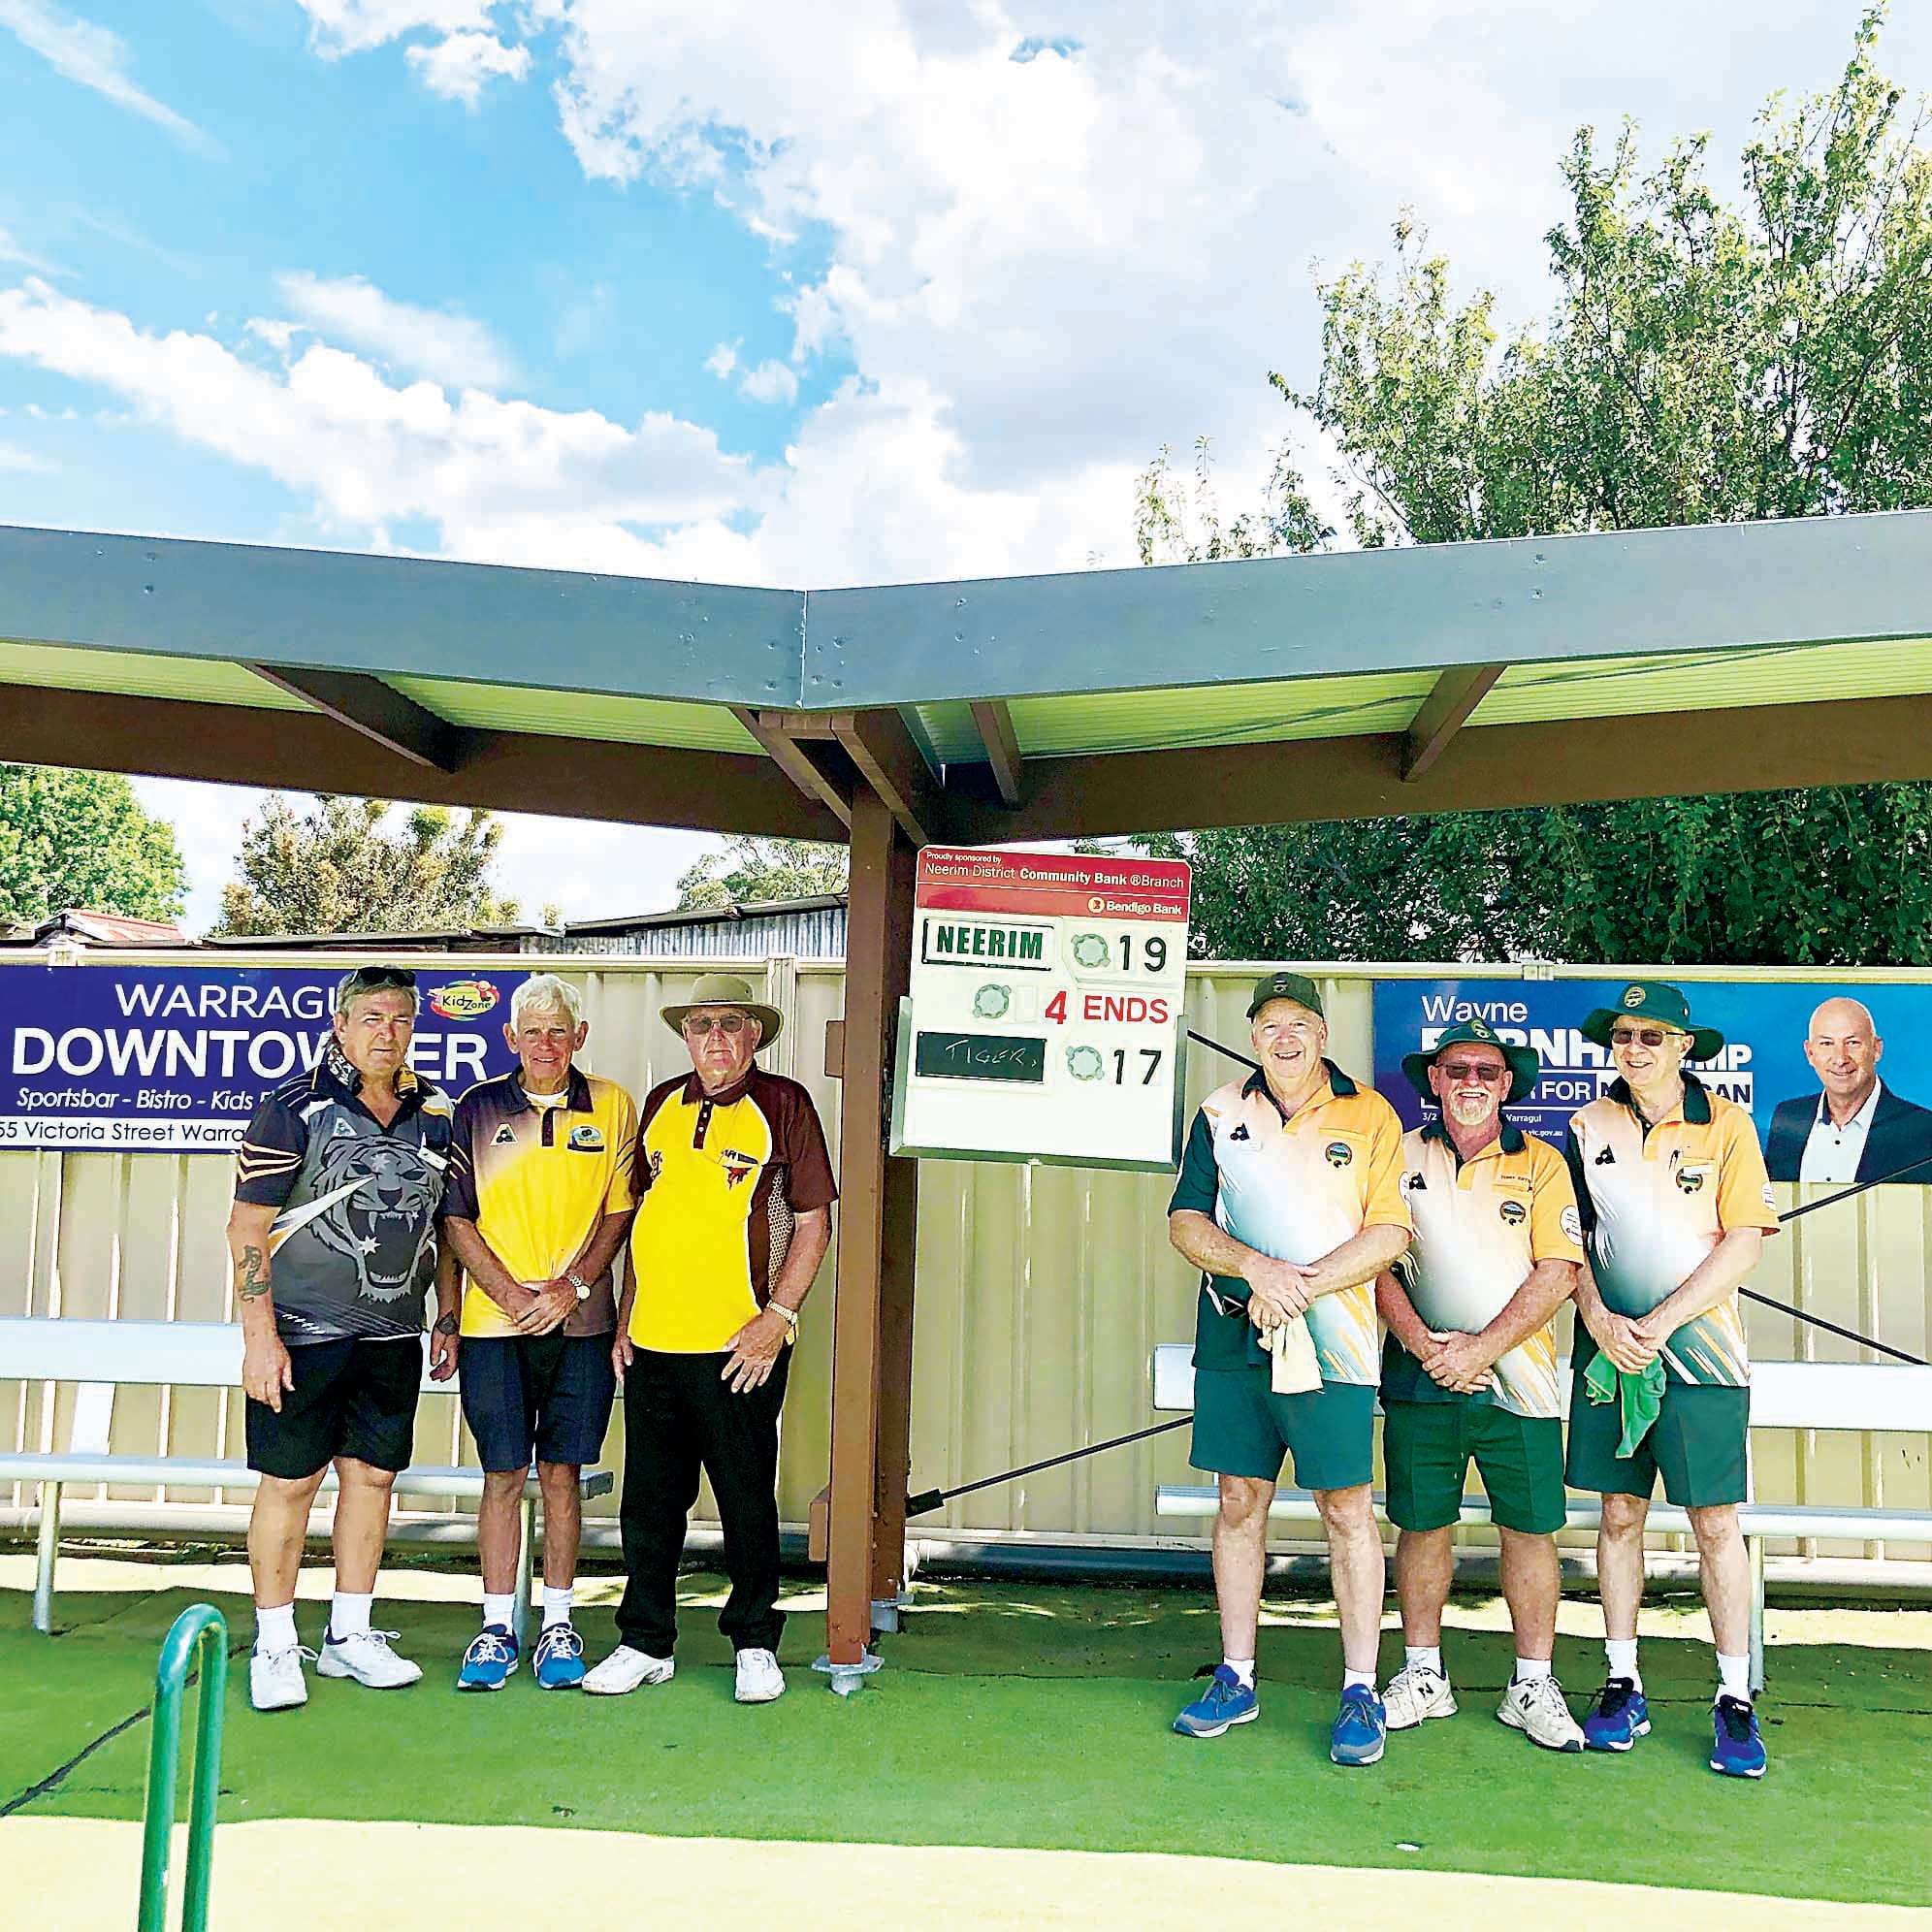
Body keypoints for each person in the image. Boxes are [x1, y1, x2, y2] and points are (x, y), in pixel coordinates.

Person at [1166, 971, 1411, 1767]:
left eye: (1300, 1023)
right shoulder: (1219, 1112)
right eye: (1269, 1025)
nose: (1285, 1038)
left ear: (1323, 1034)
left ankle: (1361, 1688)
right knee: (1240, 1501)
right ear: (1253, 1037)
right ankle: (1236, 1676)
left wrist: (1295, 1284)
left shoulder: (1370, 1113)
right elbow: (1186, 1222)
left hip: (1333, 1338)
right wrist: (1252, 1270)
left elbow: (1390, 1234)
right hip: (1236, 1335)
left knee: (1346, 1508)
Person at [584, 973, 836, 1705]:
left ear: (754, 1034)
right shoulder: (662, 1102)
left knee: (745, 1498)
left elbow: (815, 1221)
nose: (715, 1038)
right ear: (685, 1036)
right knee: (650, 1503)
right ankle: (644, 1641)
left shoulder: (784, 1103)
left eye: (730, 1024)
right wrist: (628, 1316)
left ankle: (755, 1641)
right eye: (701, 1026)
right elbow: (644, 1221)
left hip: (740, 1347)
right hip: (657, 1342)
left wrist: (777, 1318)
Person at [1564, 981, 1781, 1779]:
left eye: (1653, 1037)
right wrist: (1600, 1321)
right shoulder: (1587, 1125)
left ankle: (1733, 1698)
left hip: (1704, 1361)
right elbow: (1568, 1243)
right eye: (1624, 1036)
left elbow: (1745, 1243)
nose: (1635, 1049)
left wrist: (1660, 1324)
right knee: (1618, 1516)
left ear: (1686, 1048)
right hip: (1612, 1356)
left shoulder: (1727, 1126)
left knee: (1715, 1526)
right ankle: (1623, 1680)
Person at [230, 964, 457, 1714]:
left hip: (392, 1334)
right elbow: (247, 1230)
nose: (385, 1034)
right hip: (301, 1335)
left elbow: (446, 1230)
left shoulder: (436, 1114)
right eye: (370, 1019)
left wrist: (446, 1316)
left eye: (399, 1019)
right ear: (340, 1024)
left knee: (373, 1480)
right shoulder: (290, 1107)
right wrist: (260, 1339)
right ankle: (273, 1643)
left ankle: (349, 1635)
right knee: (292, 1484)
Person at [1374, 1020, 1586, 1752]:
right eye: (1455, 1068)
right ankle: (1423, 1674)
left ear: (1506, 1084)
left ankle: (1531, 1683)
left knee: (1529, 1530)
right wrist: (1426, 1346)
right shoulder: (1396, 1155)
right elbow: (1377, 1264)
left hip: (1519, 1384)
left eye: (1486, 1072)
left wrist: (1482, 1350)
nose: (1470, 1081)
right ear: (1433, 1079)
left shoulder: (1545, 1164)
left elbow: (1558, 1272)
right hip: (1420, 1376)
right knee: (1421, 1524)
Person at [439, 974, 638, 1691]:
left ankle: (557, 1620)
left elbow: (621, 1213)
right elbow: (455, 1217)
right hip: (496, 1325)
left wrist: (570, 1288)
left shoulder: (613, 1105)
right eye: (533, 1031)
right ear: (510, 1039)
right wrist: (506, 1297)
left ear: (578, 1037)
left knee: (561, 1476)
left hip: (580, 1322)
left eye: (560, 1030)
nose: (547, 1044)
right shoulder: (477, 1106)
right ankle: (497, 1628)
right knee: (503, 1475)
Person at [1763, 996, 1932, 1185]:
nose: (1840, 1059)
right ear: (1810, 1053)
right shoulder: (1788, 1117)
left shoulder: (1921, 1128)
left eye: (1852, 1043)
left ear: (1876, 1049)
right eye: (1827, 1044)